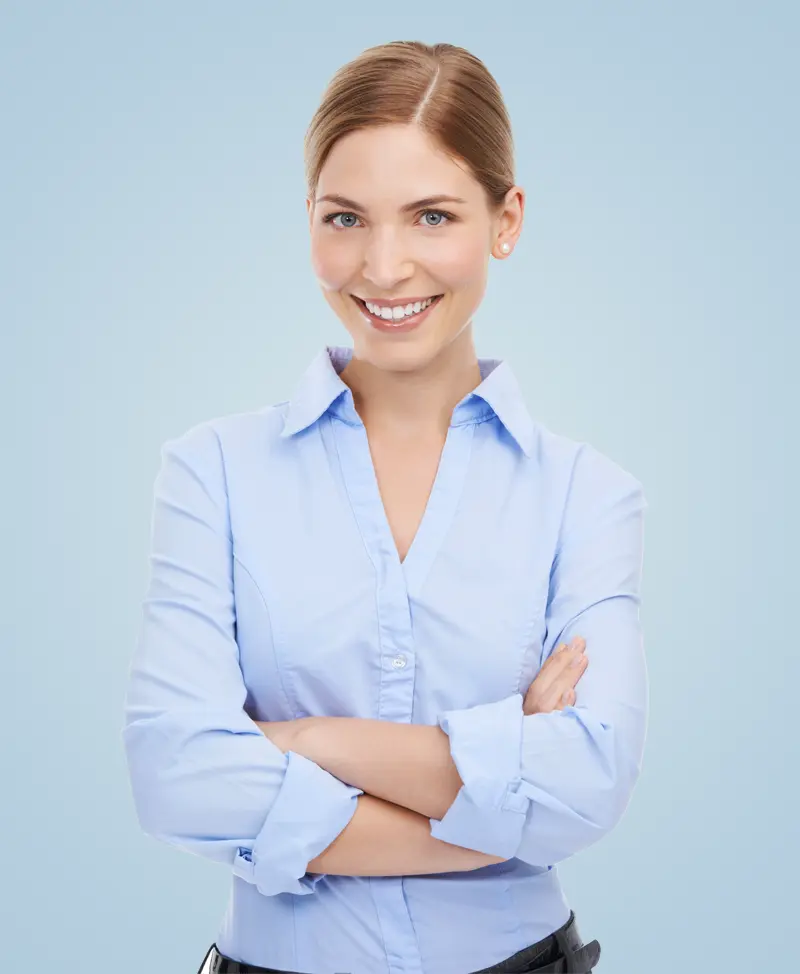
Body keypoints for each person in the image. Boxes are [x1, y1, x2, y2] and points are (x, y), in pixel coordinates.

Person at [123, 40, 647, 974]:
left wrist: (304, 741)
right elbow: (177, 777)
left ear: (506, 220)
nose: (385, 265)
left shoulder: (588, 495)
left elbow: (587, 783)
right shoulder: (211, 473)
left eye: (432, 216)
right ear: (310, 223)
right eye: (346, 218)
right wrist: (487, 819)